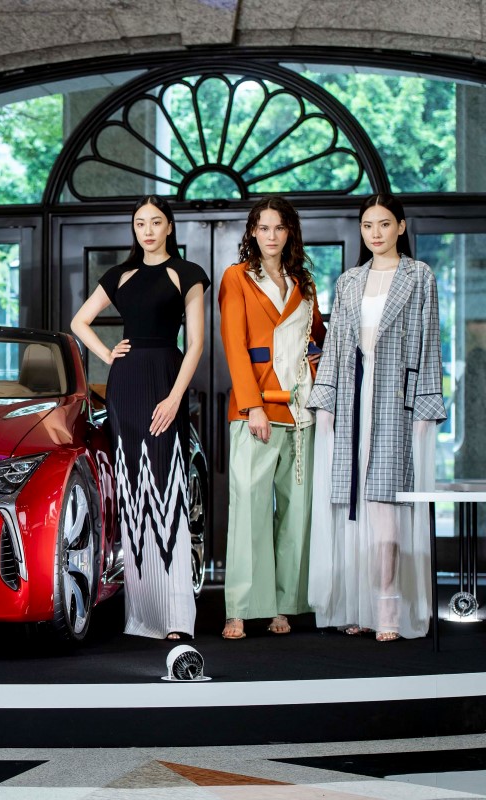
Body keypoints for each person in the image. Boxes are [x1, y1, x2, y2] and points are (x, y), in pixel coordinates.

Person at [307, 194, 445, 641]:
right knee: (352, 504)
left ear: (401, 226)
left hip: (394, 400)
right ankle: (359, 605)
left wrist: (425, 406)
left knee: (385, 505)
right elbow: (335, 346)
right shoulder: (349, 280)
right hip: (352, 397)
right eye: (368, 225)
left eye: (384, 224)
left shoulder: (419, 276)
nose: (376, 233)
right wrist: (325, 400)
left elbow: (429, 344)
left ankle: (388, 607)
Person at [70, 195, 208, 640]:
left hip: (167, 378)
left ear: (169, 226)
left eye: (155, 222)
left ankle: (175, 617)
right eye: (140, 223)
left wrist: (175, 398)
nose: (147, 230)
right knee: (134, 495)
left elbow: (197, 344)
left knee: (169, 491)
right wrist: (108, 354)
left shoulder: (187, 273)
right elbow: (79, 322)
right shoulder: (120, 275)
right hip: (126, 387)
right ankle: (144, 615)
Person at [218, 197, 326, 641]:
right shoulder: (237, 277)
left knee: (297, 511)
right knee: (249, 508)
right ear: (252, 232)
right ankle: (240, 609)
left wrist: (316, 369)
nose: (271, 235)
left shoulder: (305, 282)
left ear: (290, 233)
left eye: (279, 227)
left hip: (301, 411)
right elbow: (234, 344)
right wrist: (253, 405)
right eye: (263, 227)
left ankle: (284, 604)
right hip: (256, 409)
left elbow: (317, 339)